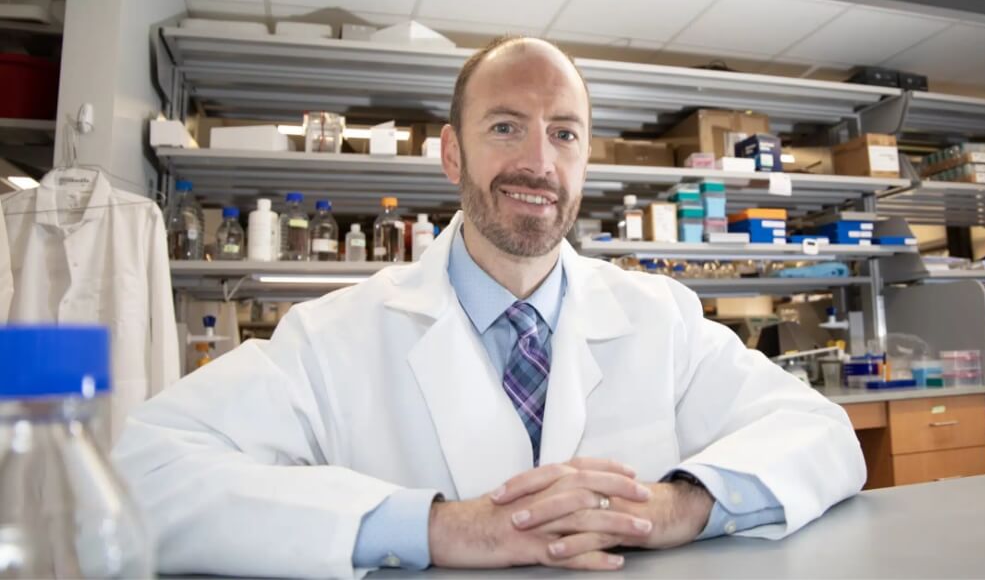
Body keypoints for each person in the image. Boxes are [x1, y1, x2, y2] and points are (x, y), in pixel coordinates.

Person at [113, 36, 865, 578]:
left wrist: (678, 505)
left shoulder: (659, 316)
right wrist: (435, 527)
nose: (538, 162)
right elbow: (141, 474)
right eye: (505, 126)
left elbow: (822, 434)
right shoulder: (333, 334)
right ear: (451, 154)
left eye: (563, 134)